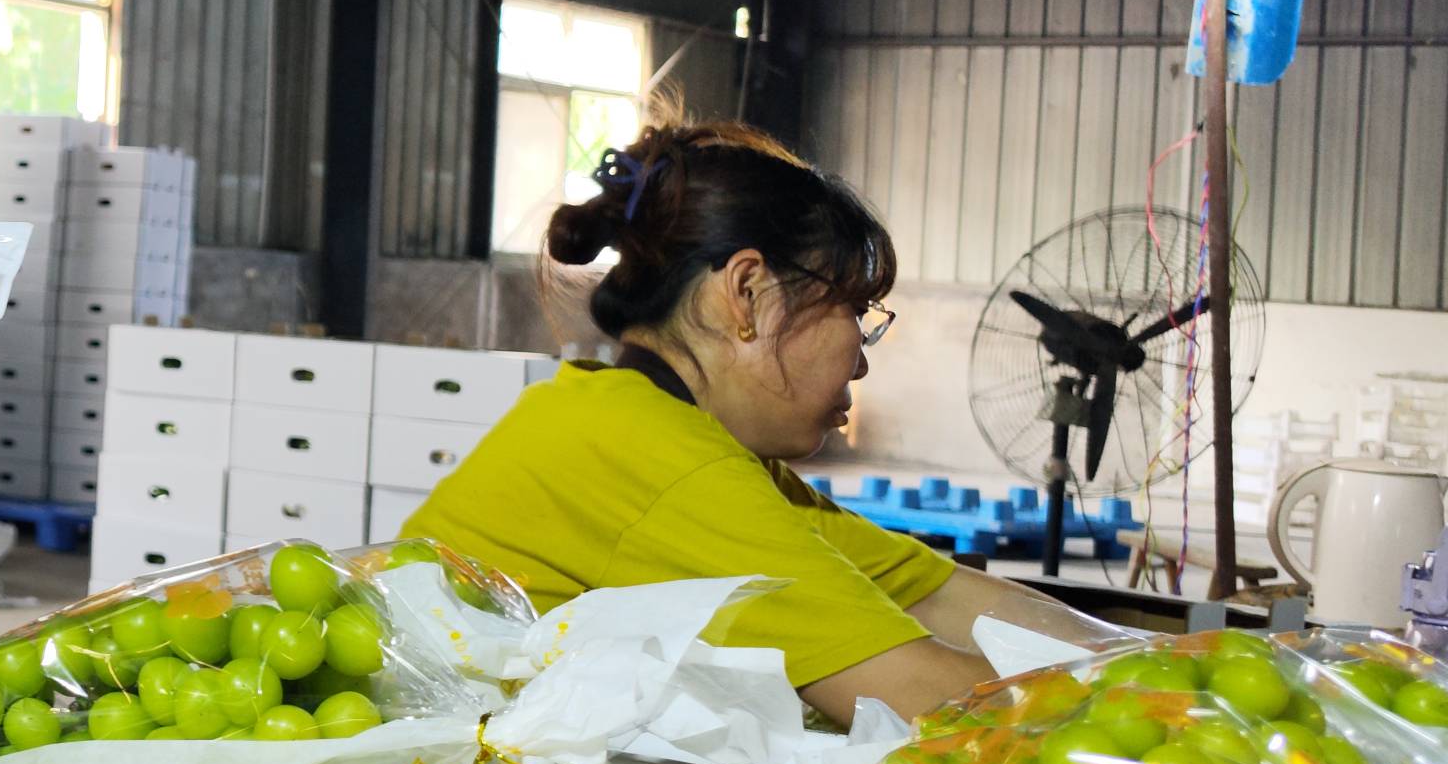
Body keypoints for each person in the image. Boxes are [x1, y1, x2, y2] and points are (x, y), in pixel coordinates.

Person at [403, 122, 1113, 724]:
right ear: (747, 293)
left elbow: (935, 594)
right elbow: (921, 694)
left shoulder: (641, 424)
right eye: (855, 315)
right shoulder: (656, 462)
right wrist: (1166, 710)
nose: (860, 365)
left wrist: (1147, 658)